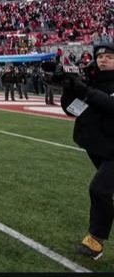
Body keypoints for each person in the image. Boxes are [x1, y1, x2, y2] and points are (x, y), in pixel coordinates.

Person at [58, 42, 114, 260]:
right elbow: (73, 110)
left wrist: (83, 89)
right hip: (99, 146)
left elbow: (110, 105)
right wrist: (68, 88)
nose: (103, 59)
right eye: (100, 56)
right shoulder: (91, 81)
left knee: (99, 189)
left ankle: (95, 242)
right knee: (105, 191)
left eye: (109, 56)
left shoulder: (91, 86)